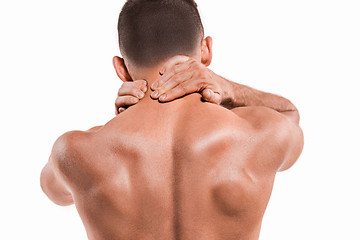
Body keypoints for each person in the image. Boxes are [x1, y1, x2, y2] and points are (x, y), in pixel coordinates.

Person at [40, 0, 304, 239]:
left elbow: (51, 189)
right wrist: (227, 88)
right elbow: (291, 114)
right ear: (206, 50)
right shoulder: (255, 133)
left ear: (121, 69)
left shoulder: (76, 151)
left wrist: (119, 123)